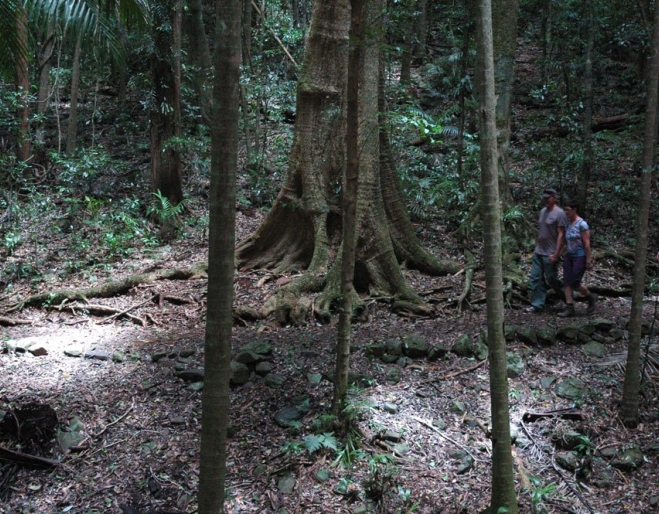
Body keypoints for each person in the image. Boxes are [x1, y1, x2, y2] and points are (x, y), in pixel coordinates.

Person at [527, 188, 567, 313]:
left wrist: (556, 254)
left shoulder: (560, 213)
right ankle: (537, 304)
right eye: (544, 198)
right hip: (539, 251)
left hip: (551, 253)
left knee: (552, 279)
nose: (545, 200)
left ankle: (570, 297)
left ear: (554, 198)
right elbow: (541, 231)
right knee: (535, 277)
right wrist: (537, 246)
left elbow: (562, 234)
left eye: (548, 198)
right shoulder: (543, 211)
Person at [557, 200, 597, 317]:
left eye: (568, 210)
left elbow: (587, 243)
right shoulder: (568, 224)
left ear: (575, 210)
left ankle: (590, 297)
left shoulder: (582, 224)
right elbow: (566, 242)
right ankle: (569, 308)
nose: (566, 212)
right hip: (568, 256)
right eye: (565, 210)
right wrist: (559, 254)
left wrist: (588, 260)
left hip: (580, 255)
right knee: (567, 282)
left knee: (575, 282)